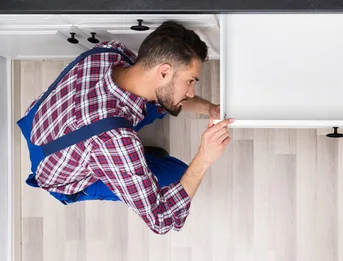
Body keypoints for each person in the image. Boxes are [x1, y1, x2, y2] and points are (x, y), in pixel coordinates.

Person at [16, 21, 233, 235]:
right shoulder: (115, 139)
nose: (192, 92)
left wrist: (211, 108)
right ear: (164, 72)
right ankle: (120, 166)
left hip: (45, 125)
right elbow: (163, 219)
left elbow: (166, 98)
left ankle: (129, 162)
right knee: (178, 177)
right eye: (190, 81)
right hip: (61, 176)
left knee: (155, 102)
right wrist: (204, 157)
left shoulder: (110, 52)